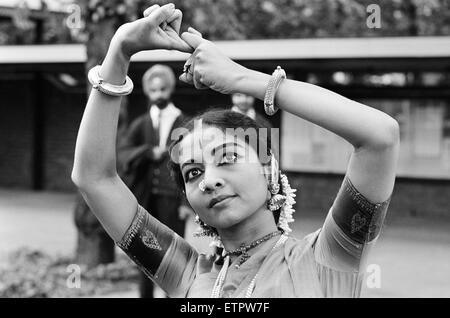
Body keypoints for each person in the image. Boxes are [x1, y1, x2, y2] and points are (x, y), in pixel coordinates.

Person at [72, 3, 399, 298]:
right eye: (193, 173)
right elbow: (94, 178)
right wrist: (119, 51)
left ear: (268, 169)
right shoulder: (187, 273)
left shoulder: (328, 257)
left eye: (227, 157)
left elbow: (379, 137)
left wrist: (241, 78)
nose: (208, 181)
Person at [117, 64, 188, 297]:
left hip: (173, 198)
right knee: (145, 251)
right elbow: (124, 152)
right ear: (148, 91)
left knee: (174, 252)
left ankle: (173, 294)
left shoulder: (184, 122)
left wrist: (187, 204)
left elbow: (195, 164)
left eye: (163, 89)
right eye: (154, 90)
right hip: (145, 198)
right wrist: (148, 152)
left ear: (170, 89)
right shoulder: (140, 123)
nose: (159, 94)